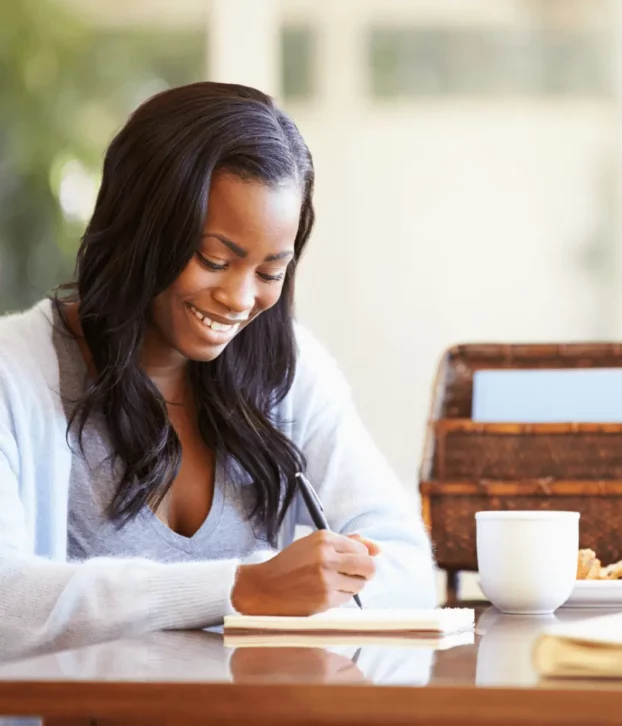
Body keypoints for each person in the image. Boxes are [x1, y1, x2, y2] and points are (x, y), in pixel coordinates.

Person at [0, 82, 437, 659]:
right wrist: (240, 589)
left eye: (269, 271)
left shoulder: (291, 373)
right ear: (141, 230)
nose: (238, 297)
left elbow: (404, 566)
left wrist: (314, 581)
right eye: (214, 259)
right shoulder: (15, 372)